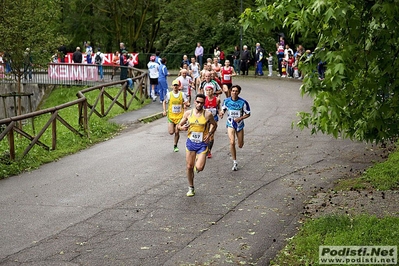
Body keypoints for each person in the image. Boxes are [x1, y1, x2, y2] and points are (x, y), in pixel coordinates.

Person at [178, 93, 218, 197]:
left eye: (202, 103)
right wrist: (182, 128)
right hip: (191, 143)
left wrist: (209, 134)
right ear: (194, 102)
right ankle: (191, 188)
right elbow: (179, 125)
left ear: (204, 103)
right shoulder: (188, 113)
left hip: (202, 144)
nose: (199, 104)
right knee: (189, 166)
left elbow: (214, 125)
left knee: (199, 168)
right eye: (198, 102)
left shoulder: (207, 114)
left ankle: (197, 163)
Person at [220, 85, 251, 171]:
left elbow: (248, 113)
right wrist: (222, 113)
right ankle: (234, 162)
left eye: (236, 91)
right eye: (233, 91)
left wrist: (240, 118)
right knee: (232, 142)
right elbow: (223, 109)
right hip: (230, 123)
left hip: (240, 124)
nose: (234, 92)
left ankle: (240, 143)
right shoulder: (226, 101)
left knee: (240, 145)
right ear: (230, 91)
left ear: (239, 92)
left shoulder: (243, 102)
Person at [163, 79, 190, 152]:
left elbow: (187, 102)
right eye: (174, 85)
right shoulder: (169, 94)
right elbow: (164, 102)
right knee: (171, 132)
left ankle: (175, 145)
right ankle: (174, 127)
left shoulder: (182, 94)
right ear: (172, 86)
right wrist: (164, 110)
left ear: (179, 86)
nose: (175, 87)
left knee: (177, 132)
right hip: (171, 116)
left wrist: (187, 104)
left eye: (177, 85)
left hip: (179, 117)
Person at [204, 85, 221, 159]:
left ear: (213, 91)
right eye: (207, 90)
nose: (209, 92)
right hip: (205, 119)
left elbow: (219, 108)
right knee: (205, 134)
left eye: (210, 90)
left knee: (211, 135)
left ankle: (209, 150)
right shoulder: (204, 99)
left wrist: (220, 112)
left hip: (214, 118)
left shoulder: (217, 99)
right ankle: (204, 148)